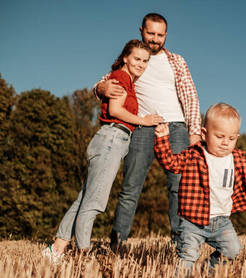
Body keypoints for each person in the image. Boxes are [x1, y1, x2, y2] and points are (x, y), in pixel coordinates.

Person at [42, 40, 163, 262]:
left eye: (145, 61)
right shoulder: (121, 77)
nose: (141, 64)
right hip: (112, 139)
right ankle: (82, 255)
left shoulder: (124, 78)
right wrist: (143, 121)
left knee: (85, 198)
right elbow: (116, 110)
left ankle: (56, 249)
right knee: (94, 203)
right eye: (137, 59)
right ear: (126, 57)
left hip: (110, 140)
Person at [93, 13, 202, 249]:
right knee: (131, 187)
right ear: (141, 30)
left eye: (160, 35)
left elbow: (190, 96)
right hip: (143, 127)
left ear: (165, 35)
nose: (155, 39)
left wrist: (194, 131)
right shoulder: (135, 57)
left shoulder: (176, 61)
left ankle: (180, 244)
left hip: (176, 128)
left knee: (179, 187)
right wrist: (101, 88)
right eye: (150, 33)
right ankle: (118, 244)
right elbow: (106, 81)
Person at [153, 103, 246, 271]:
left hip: (221, 221)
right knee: (187, 255)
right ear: (204, 134)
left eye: (231, 139)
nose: (225, 143)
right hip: (192, 221)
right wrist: (162, 140)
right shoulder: (193, 155)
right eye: (220, 136)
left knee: (232, 250)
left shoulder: (236, 159)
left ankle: (207, 270)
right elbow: (170, 163)